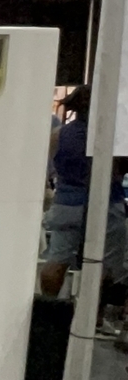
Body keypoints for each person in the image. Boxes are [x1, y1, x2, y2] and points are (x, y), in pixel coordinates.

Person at [39, 86, 128, 304]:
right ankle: (90, 319)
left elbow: (52, 169)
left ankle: (48, 310)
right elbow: (118, 171)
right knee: (103, 265)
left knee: (56, 261)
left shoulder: (58, 134)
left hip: (66, 205)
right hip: (105, 205)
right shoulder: (112, 137)